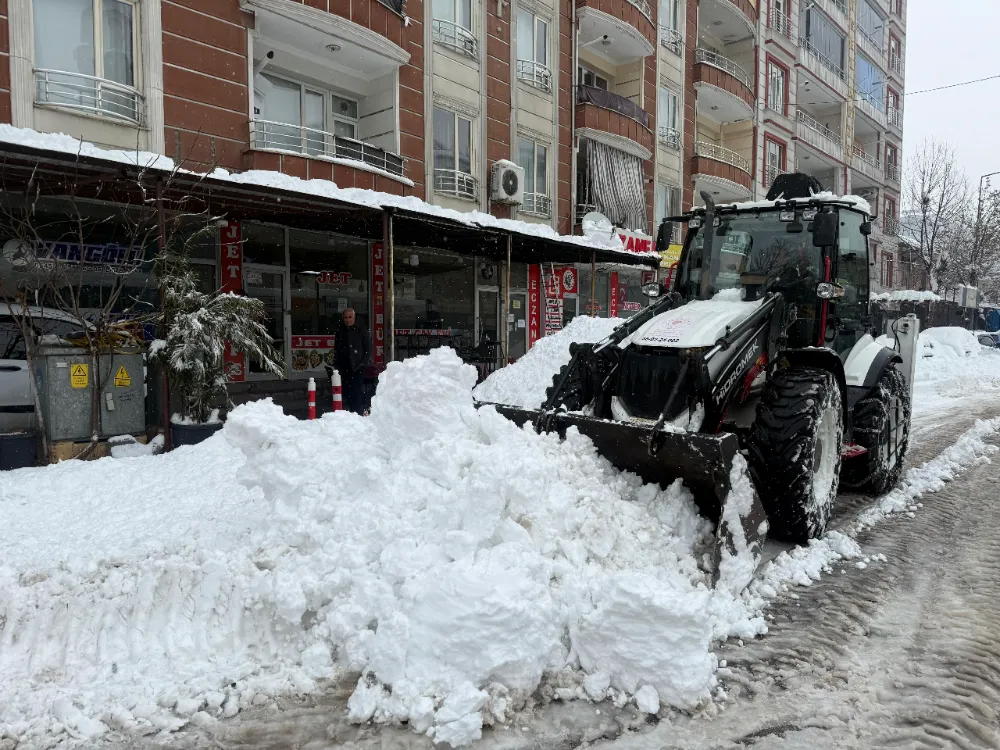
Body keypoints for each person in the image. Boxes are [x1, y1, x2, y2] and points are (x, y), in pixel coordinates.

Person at [334, 307, 370, 415]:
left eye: (350, 317)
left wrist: (363, 362)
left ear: (354, 317)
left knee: (357, 391)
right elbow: (337, 348)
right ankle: (351, 412)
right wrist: (337, 363)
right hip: (344, 367)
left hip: (357, 366)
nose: (348, 320)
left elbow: (368, 347)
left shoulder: (361, 329)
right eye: (345, 317)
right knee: (347, 391)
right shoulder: (340, 330)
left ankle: (358, 412)